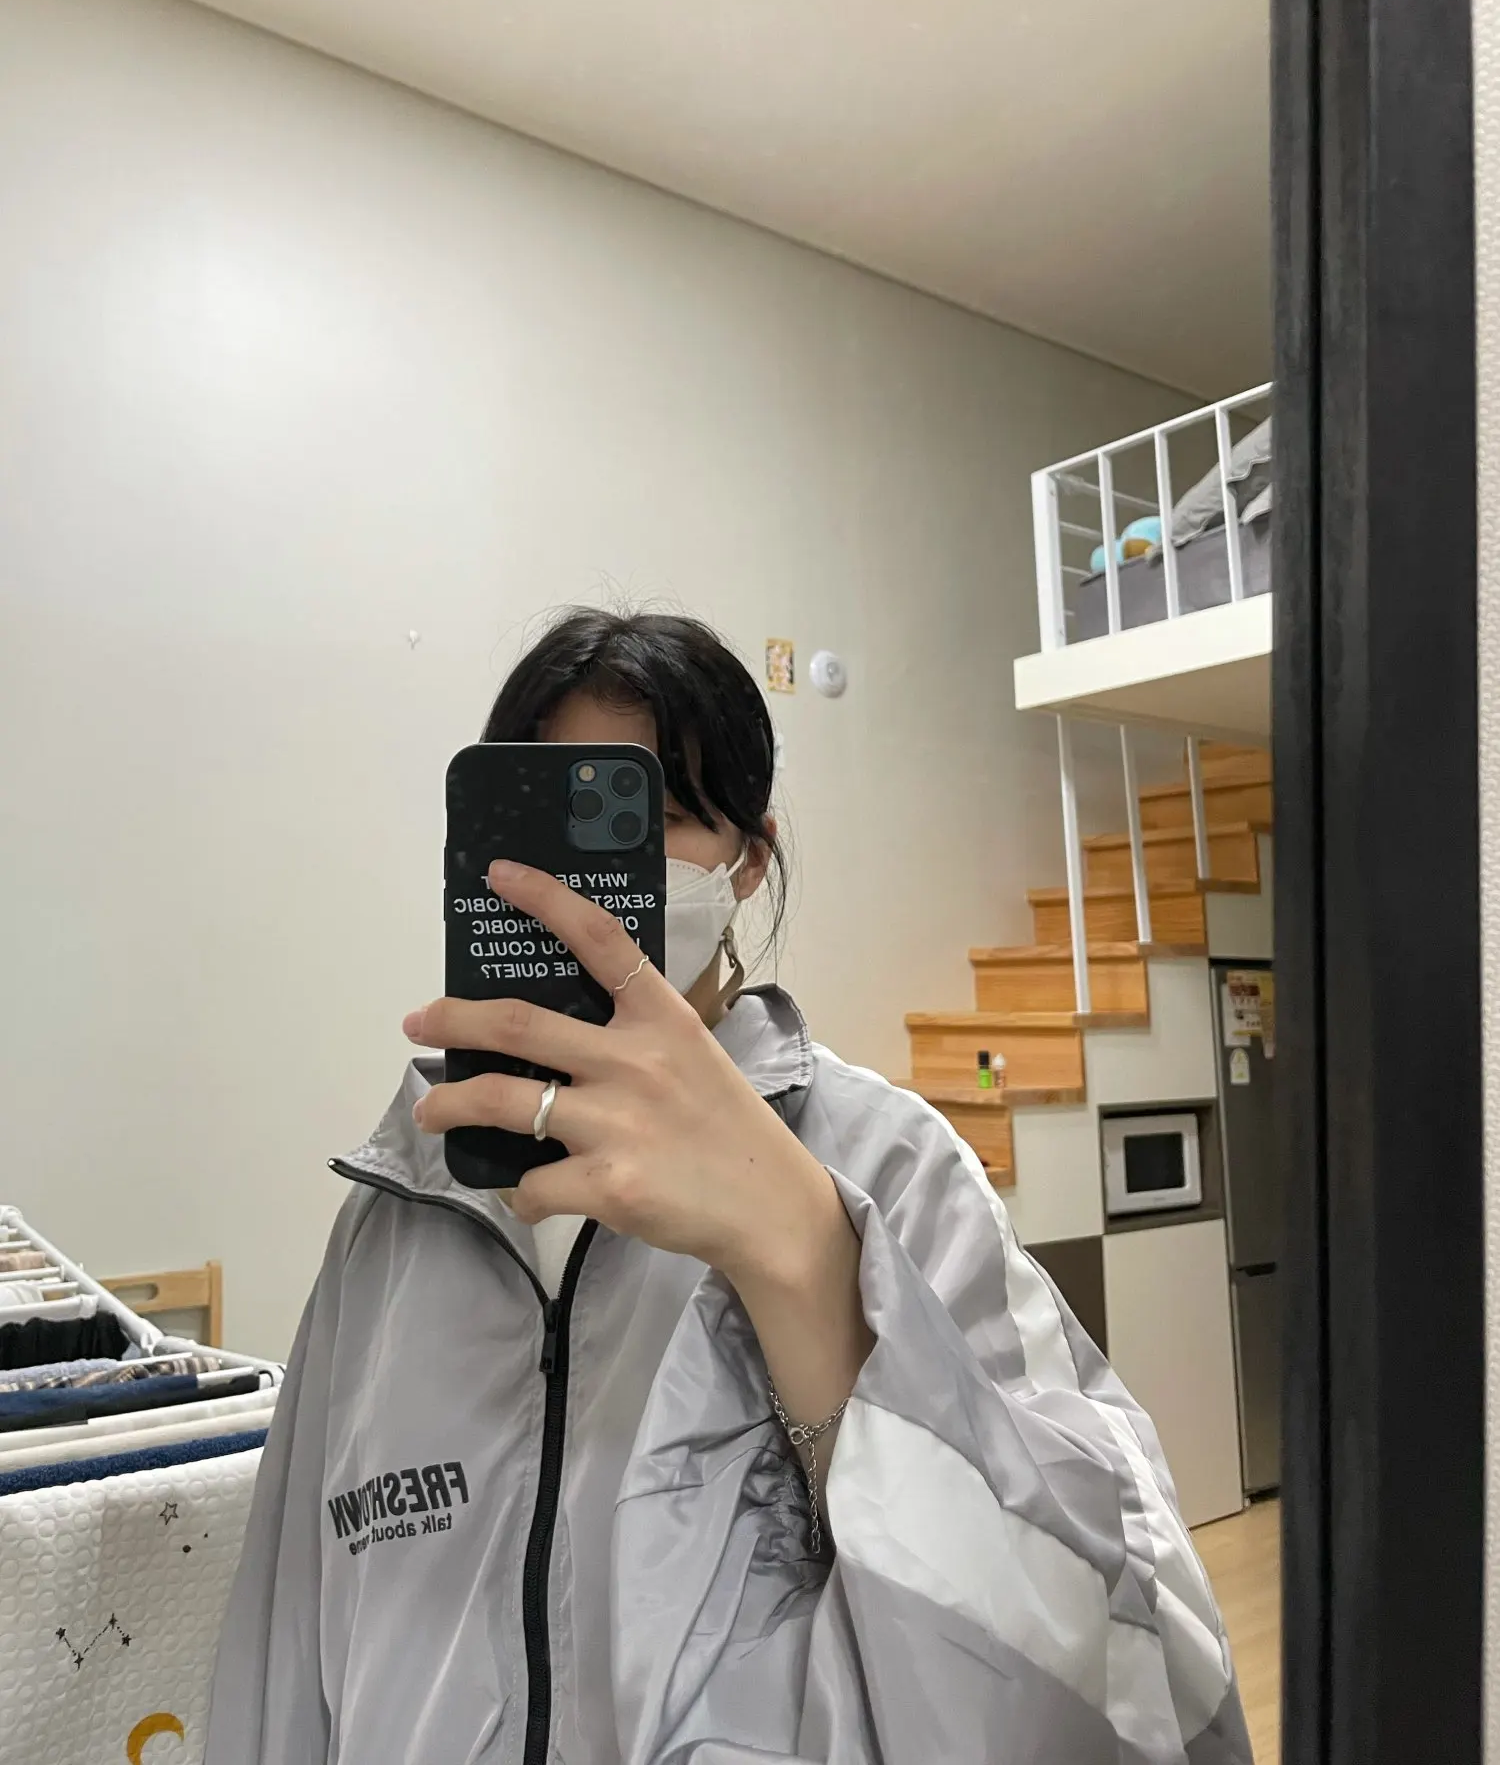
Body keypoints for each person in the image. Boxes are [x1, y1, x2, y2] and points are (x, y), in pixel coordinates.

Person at [205, 609, 1250, 1765]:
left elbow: (1125, 1671)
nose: (587, 877)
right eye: (543, 817)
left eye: (643, 819)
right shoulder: (398, 1206)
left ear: (748, 858)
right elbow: (283, 1653)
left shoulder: (890, 1167)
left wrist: (805, 1251)